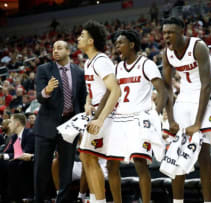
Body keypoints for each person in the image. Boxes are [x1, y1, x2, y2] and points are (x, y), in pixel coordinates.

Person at [162, 16, 211, 203]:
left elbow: (207, 84)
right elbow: (167, 88)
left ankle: (208, 201)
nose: (166, 36)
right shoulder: (167, 53)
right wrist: (170, 119)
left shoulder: (198, 47)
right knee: (175, 153)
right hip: (184, 98)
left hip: (204, 97)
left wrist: (198, 123)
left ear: (181, 32)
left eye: (170, 32)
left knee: (203, 156)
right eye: (164, 33)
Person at [114, 30, 167, 203]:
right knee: (112, 163)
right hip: (120, 119)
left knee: (140, 163)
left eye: (120, 43)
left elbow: (163, 91)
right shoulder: (117, 68)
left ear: (131, 44)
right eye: (116, 43)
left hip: (139, 119)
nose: (117, 46)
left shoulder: (146, 64)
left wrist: (155, 113)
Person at [34, 40, 87, 203]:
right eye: (54, 48)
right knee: (41, 168)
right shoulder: (44, 69)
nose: (55, 51)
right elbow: (40, 97)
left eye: (59, 48)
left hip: (69, 125)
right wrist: (47, 90)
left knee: (66, 167)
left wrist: (82, 124)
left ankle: (62, 200)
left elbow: (82, 98)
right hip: (47, 125)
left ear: (68, 51)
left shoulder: (78, 72)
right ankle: (40, 200)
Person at [77, 20, 121, 203]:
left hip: (108, 116)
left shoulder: (102, 61)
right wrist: (88, 103)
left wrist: (101, 119)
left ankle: (99, 201)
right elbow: (93, 89)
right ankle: (96, 200)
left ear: (91, 41)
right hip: (96, 113)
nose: (78, 38)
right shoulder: (89, 63)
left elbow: (115, 90)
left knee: (88, 156)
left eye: (82, 36)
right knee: (87, 157)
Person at [0, 113, 35, 202]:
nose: (9, 124)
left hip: (30, 161)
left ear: (17, 123)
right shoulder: (14, 136)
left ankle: (12, 196)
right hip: (17, 162)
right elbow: (7, 152)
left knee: (11, 164)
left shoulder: (30, 133)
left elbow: (24, 153)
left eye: (11, 122)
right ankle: (5, 195)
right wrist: (3, 155)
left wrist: (4, 156)